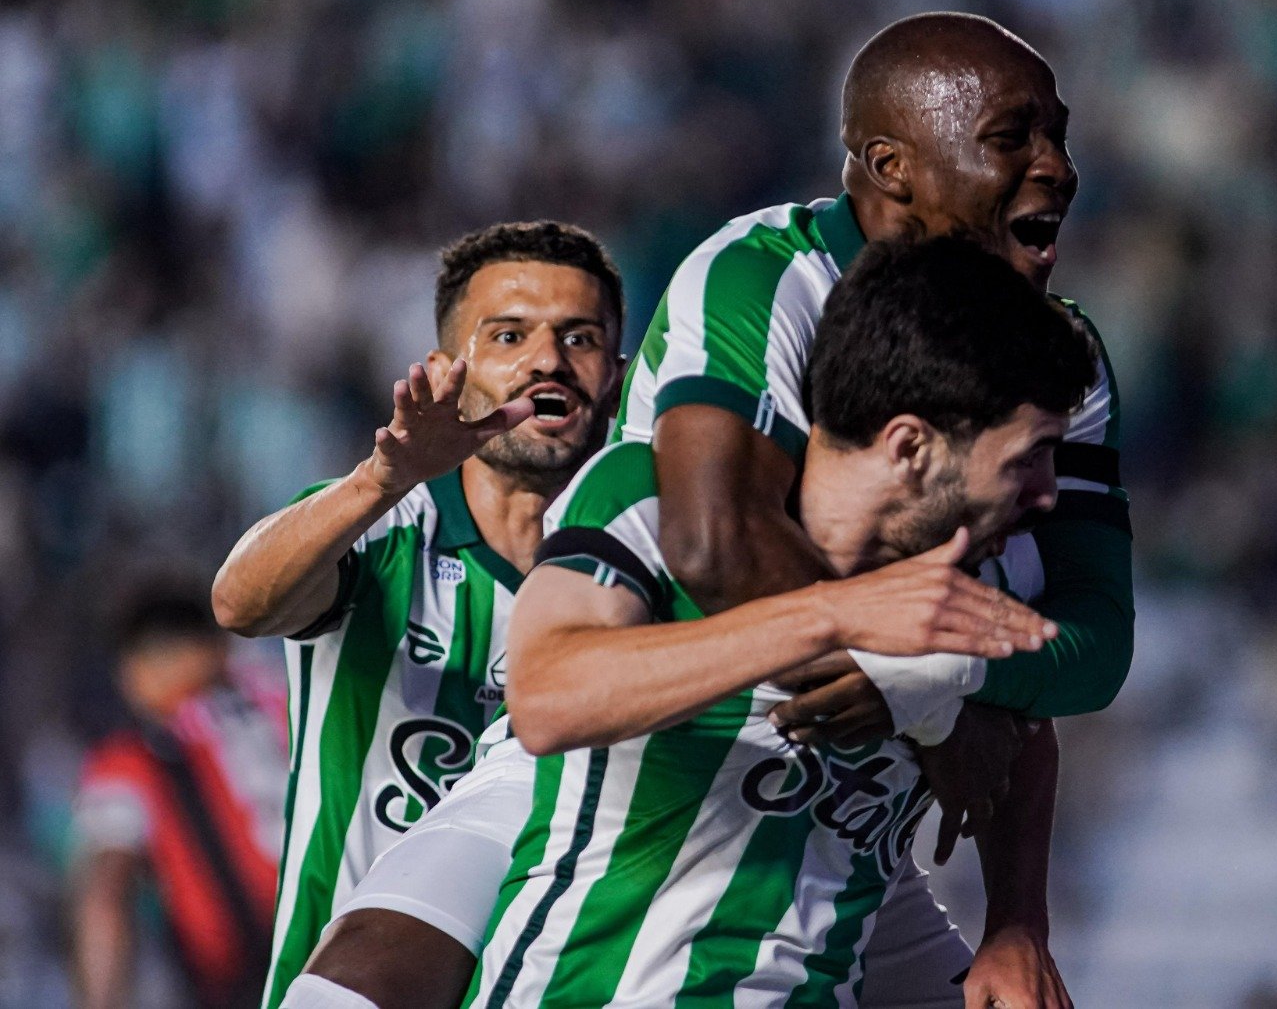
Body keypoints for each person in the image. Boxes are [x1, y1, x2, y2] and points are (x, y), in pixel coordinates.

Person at [614, 11, 1133, 1001]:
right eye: (1011, 138)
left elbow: (1091, 644)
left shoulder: (1061, 355)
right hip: (679, 795)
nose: (1058, 166)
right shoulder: (765, 277)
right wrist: (935, 704)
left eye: (1058, 134)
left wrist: (1017, 919)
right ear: (891, 166)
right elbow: (713, 544)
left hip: (858, 816)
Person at [466, 236, 1094, 1007]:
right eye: (1028, 457)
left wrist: (1016, 923)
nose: (1047, 494)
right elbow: (547, 697)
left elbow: (1026, 732)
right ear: (910, 448)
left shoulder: (993, 575)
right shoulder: (648, 495)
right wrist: (834, 616)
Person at [210, 221, 627, 1008]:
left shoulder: (648, 569)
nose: (547, 361)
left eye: (580, 338)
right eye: (510, 335)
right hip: (355, 983)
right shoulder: (385, 528)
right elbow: (239, 602)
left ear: (618, 377)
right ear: (449, 371)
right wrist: (381, 477)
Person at [72, 580, 286, 1009]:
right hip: (364, 937)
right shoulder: (290, 699)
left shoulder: (133, 760)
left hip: (259, 977)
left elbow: (106, 894)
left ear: (135, 669)